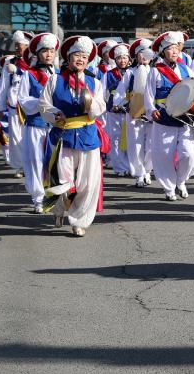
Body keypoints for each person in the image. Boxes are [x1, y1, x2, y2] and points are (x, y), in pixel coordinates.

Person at [39, 35, 107, 237]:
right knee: (62, 181)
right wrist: (54, 113)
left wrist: (91, 105)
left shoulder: (95, 82)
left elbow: (101, 107)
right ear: (68, 58)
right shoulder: (55, 80)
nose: (80, 59)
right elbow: (43, 105)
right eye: (76, 55)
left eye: (84, 57)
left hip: (88, 135)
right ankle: (59, 210)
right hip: (63, 135)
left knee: (88, 182)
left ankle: (79, 221)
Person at [144, 31, 194, 201]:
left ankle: (181, 180)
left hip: (184, 118)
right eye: (170, 49)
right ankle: (169, 188)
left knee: (189, 154)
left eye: (176, 48)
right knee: (164, 155)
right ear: (163, 52)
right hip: (164, 116)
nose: (174, 52)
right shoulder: (155, 71)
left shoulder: (186, 69)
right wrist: (151, 109)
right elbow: (148, 94)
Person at [17, 33, 59, 213]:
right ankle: (38, 197)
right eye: (45, 51)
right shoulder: (29, 74)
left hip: (56, 125)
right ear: (37, 54)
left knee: (56, 161)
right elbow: (23, 99)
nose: (49, 55)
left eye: (51, 51)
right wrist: (42, 103)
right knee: (35, 161)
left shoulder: (59, 74)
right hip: (36, 124)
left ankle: (55, 193)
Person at [112, 38, 155, 188]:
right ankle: (139, 174)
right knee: (135, 144)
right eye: (141, 54)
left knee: (150, 144)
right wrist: (118, 103)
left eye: (147, 53)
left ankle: (148, 169)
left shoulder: (156, 71)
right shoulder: (130, 72)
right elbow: (120, 91)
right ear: (136, 56)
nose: (144, 57)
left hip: (152, 113)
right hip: (134, 111)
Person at [0, 31, 33, 177]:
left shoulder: (34, 60)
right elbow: (3, 84)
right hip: (14, 105)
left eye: (21, 45)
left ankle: (33, 165)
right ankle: (21, 166)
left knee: (30, 137)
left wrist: (19, 70)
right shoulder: (10, 61)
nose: (18, 48)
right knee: (16, 137)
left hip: (30, 106)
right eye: (17, 45)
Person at [103, 43, 132, 177]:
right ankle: (119, 167)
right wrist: (109, 104)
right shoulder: (108, 75)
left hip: (129, 111)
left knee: (130, 139)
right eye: (119, 58)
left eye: (125, 58)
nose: (122, 60)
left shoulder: (132, 73)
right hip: (113, 112)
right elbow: (103, 93)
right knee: (115, 139)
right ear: (115, 60)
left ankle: (130, 165)